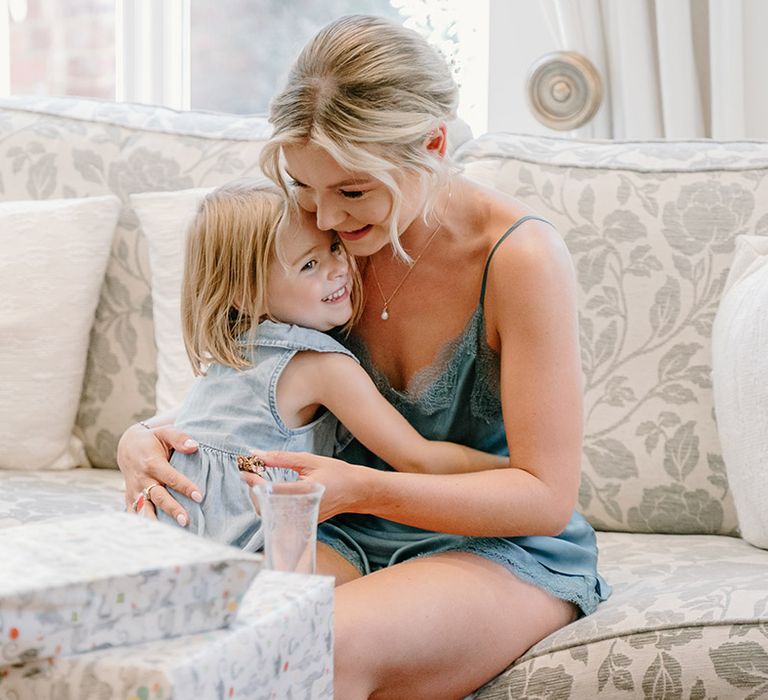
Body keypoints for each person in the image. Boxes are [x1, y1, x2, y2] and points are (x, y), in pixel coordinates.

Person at [118, 14, 610, 698]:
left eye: (351, 190)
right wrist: (141, 437)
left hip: (497, 542)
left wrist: (362, 488)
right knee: (212, 637)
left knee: (312, 644)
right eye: (305, 187)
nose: (325, 218)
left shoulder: (520, 260)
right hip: (351, 528)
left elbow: (544, 498)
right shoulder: (326, 253)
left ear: (434, 144)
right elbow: (258, 381)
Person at [154, 179, 508, 550]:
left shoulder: (242, 350)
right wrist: (515, 472)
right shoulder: (321, 366)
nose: (338, 269)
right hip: (238, 541)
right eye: (309, 264)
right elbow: (417, 459)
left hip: (172, 528)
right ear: (246, 295)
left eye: (335, 248)